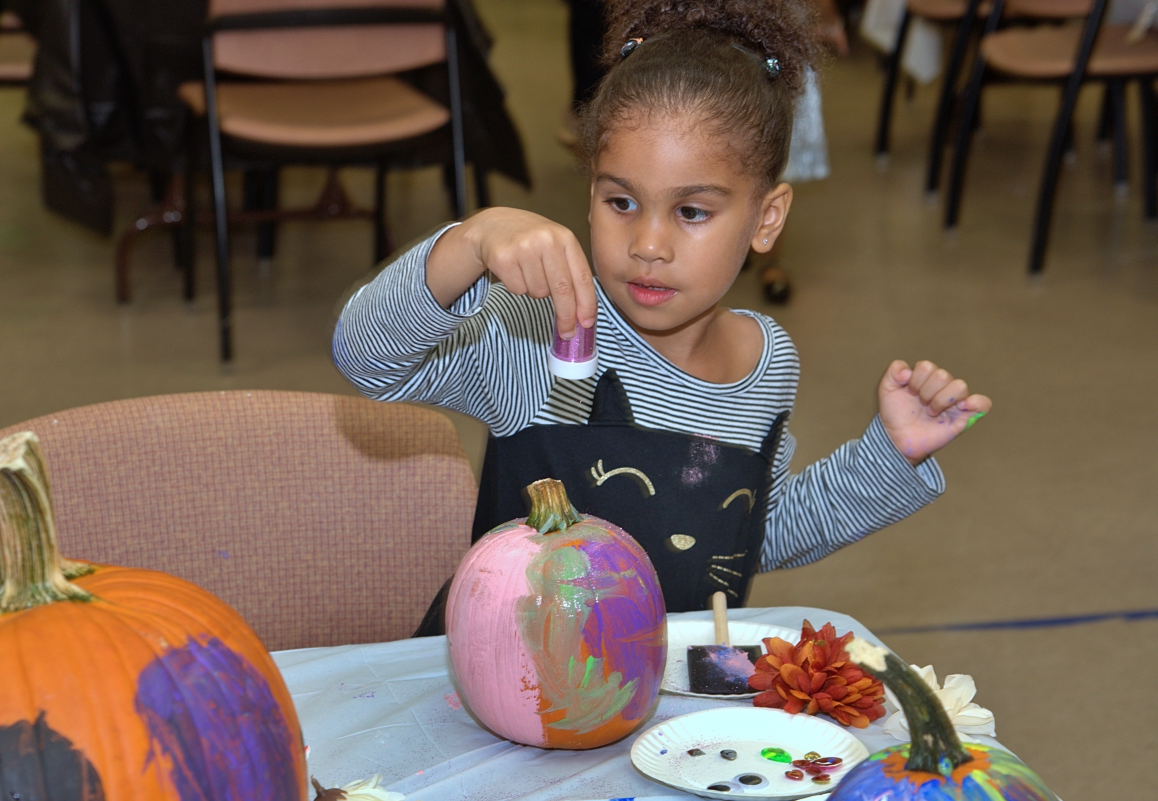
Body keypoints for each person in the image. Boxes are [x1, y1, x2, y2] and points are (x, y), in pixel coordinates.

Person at [333, 0, 991, 627]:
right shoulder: (540, 327)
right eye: (621, 202)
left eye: (691, 212)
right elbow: (367, 358)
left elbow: (748, 533)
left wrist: (889, 454)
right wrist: (467, 244)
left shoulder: (767, 360)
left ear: (767, 219)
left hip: (663, 713)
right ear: (589, 190)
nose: (648, 244)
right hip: (514, 701)